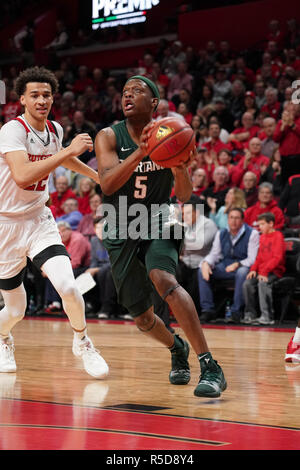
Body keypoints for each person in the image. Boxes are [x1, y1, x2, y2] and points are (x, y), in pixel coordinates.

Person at [95, 75, 227, 398]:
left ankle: (210, 365)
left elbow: (183, 194)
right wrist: (143, 152)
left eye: (137, 91)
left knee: (163, 278)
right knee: (142, 318)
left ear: (153, 103)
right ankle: (176, 347)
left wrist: (180, 167)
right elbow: (108, 185)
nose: (128, 95)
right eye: (125, 92)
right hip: (121, 222)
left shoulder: (171, 133)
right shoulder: (108, 136)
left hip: (159, 216)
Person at [0, 66, 108, 379]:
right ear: (22, 99)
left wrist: (96, 176)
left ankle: (83, 340)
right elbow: (22, 176)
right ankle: (4, 338)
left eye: (46, 94)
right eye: (34, 94)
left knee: (68, 287)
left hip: (38, 220)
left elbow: (62, 155)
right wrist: (68, 152)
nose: (41, 100)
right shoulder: (12, 131)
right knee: (16, 310)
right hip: (6, 226)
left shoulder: (55, 130)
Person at [198, 208, 259, 323]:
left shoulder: (252, 233)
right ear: (227, 219)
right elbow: (214, 254)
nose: (233, 221)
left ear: (242, 220)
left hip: (243, 266)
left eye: (237, 218)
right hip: (225, 265)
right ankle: (208, 310)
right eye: (231, 217)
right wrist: (206, 263)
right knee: (202, 270)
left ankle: (236, 312)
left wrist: (238, 264)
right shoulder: (221, 233)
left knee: (242, 272)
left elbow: (252, 258)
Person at [242, 212, 286, 325]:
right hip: (262, 271)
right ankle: (250, 314)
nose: (259, 227)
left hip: (274, 271)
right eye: (259, 224)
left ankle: (267, 316)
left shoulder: (278, 236)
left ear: (271, 224)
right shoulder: (262, 237)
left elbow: (277, 258)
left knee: (262, 283)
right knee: (247, 284)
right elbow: (259, 258)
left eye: (262, 224)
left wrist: (264, 272)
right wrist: (253, 269)